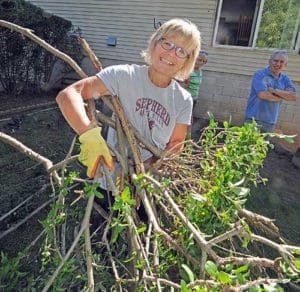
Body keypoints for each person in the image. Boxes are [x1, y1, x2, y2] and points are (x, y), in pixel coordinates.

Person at [56, 18, 201, 183]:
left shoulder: (183, 100)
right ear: (154, 43)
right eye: (167, 43)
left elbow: (175, 144)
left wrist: (146, 169)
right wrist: (89, 137)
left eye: (182, 51)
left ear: (187, 62)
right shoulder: (123, 76)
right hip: (109, 177)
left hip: (147, 186)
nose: (171, 53)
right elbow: (69, 95)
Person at [244, 50, 297, 133]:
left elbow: (293, 96)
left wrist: (275, 91)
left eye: (281, 62)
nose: (278, 64)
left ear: (285, 65)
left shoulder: (285, 79)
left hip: (270, 122)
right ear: (269, 61)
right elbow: (263, 95)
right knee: (247, 145)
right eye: (275, 61)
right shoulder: (260, 74)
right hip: (253, 119)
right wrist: (282, 96)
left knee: (263, 145)